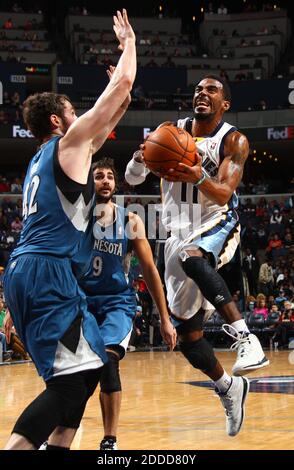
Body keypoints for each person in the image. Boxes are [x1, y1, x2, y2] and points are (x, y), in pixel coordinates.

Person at [3, 9, 137, 450]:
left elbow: (106, 126)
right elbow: (117, 88)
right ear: (59, 122)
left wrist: (124, 101)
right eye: (73, 112)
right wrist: (128, 45)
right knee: (68, 385)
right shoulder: (69, 144)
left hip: (27, 272)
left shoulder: (41, 161)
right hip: (47, 273)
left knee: (86, 373)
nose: (80, 117)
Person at [125, 75, 269, 436]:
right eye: (198, 89)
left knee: (193, 256)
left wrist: (196, 175)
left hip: (217, 221)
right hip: (175, 232)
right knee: (188, 338)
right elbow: (133, 177)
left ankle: (246, 338)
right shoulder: (169, 131)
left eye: (211, 90)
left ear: (225, 104)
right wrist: (140, 160)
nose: (201, 93)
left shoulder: (233, 139)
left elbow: (222, 194)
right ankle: (228, 388)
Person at [40, 158, 176, 450]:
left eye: (109, 177)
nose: (104, 180)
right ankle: (58, 431)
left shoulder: (130, 219)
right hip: (80, 302)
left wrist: (165, 318)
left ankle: (109, 440)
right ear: (90, 182)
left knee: (107, 362)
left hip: (117, 303)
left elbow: (151, 271)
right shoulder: (76, 217)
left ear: (116, 185)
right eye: (98, 176)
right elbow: (49, 257)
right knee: (71, 373)